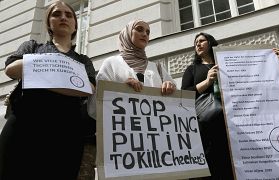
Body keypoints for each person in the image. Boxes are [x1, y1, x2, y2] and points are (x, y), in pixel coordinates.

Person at [0, 1, 96, 179]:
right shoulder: (32, 46)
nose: (63, 17)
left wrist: (40, 72)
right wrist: (60, 73)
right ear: (49, 23)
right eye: (56, 14)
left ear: (76, 25)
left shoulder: (84, 60)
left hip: (66, 132)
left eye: (68, 15)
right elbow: (11, 69)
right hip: (24, 124)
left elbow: (87, 88)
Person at [88, 19, 177, 119]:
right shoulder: (111, 63)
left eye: (148, 32)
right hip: (123, 130)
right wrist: (120, 89)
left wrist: (170, 87)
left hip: (155, 131)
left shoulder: (158, 68)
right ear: (128, 34)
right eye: (139, 29)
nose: (145, 34)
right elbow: (94, 107)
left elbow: (177, 106)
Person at [181, 32, 234, 179]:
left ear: (210, 43)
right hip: (205, 124)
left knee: (230, 163)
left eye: (202, 41)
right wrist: (208, 82)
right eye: (196, 42)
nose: (197, 44)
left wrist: (271, 59)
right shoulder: (192, 69)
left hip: (230, 122)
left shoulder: (225, 64)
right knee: (210, 161)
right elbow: (185, 93)